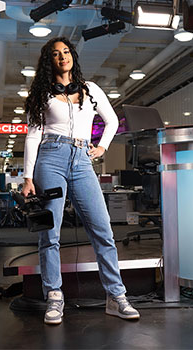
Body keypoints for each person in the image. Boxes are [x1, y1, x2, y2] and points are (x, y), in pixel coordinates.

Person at [21, 37, 140, 325]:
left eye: (66, 51)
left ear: (72, 55)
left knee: (103, 230)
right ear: (49, 61)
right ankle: (54, 296)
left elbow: (112, 121)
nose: (62, 56)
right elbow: (33, 135)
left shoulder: (91, 90)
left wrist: (102, 147)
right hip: (50, 158)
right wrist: (27, 176)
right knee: (50, 235)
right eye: (55, 54)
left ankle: (116, 296)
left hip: (82, 160)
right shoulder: (43, 94)